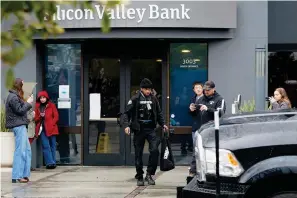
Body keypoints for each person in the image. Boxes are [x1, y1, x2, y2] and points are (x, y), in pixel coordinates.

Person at [122, 78, 168, 186]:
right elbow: (126, 114)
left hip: (151, 129)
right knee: (138, 153)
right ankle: (139, 176)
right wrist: (126, 126)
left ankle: (149, 174)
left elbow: (159, 112)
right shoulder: (135, 99)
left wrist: (163, 124)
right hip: (139, 129)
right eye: (146, 89)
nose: (148, 91)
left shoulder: (154, 99)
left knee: (154, 150)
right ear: (142, 89)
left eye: (150, 89)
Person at [189, 80, 226, 176]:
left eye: (208, 90)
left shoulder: (219, 99)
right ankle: (193, 172)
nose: (206, 92)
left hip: (213, 131)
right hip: (201, 129)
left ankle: (212, 173)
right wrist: (192, 110)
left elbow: (221, 113)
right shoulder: (201, 99)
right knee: (196, 152)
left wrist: (208, 109)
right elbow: (195, 114)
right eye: (205, 90)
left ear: (214, 89)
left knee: (212, 152)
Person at [5, 78, 34, 183]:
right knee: (20, 151)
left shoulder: (15, 96)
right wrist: (29, 103)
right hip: (18, 126)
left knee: (27, 150)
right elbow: (20, 110)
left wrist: (27, 102)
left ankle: (24, 174)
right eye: (23, 85)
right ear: (19, 85)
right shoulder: (13, 97)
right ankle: (17, 175)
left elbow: (21, 109)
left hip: (20, 125)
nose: (24, 87)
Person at [34, 91, 59, 169]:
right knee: (45, 146)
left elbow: (56, 116)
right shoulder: (37, 106)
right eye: (40, 98)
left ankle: (53, 162)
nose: (42, 99)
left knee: (53, 145)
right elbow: (35, 118)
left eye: (43, 98)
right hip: (42, 128)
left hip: (52, 128)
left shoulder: (51, 105)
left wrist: (52, 123)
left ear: (46, 98)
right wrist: (40, 116)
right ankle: (49, 163)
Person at [181, 82, 204, 154]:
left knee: (204, 148)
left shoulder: (207, 99)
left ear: (202, 88)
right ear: (194, 90)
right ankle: (195, 165)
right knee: (195, 149)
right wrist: (191, 110)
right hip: (196, 125)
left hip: (205, 125)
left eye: (199, 88)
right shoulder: (193, 99)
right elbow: (191, 113)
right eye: (196, 88)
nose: (198, 89)